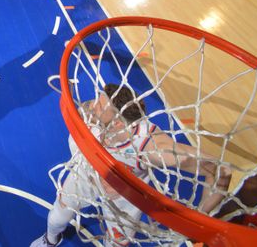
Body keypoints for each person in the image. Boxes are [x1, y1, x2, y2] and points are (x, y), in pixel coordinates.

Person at [31, 84, 231, 247]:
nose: (91, 106)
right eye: (96, 101)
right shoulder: (90, 113)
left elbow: (220, 170)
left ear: (118, 123)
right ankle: (50, 241)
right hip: (86, 174)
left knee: (116, 244)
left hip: (124, 197)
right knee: (57, 218)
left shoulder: (150, 146)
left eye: (99, 107)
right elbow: (82, 109)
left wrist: (200, 219)